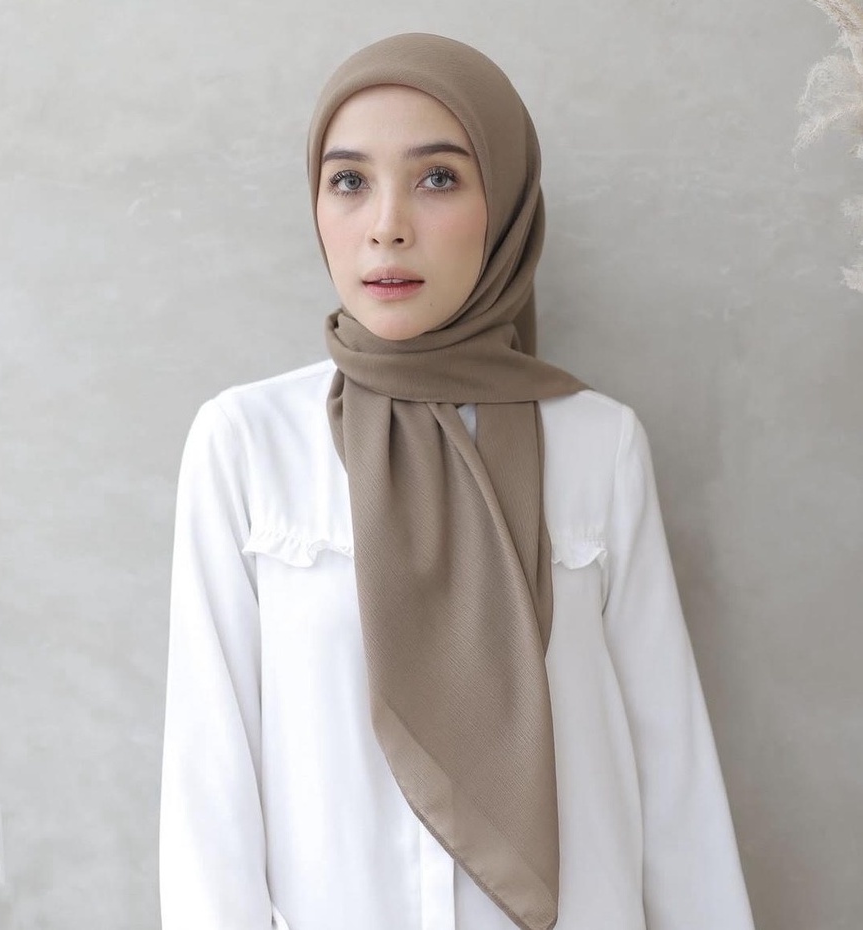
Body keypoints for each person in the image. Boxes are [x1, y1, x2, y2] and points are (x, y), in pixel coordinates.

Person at [159, 33, 755, 930]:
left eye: (437, 178)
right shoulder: (245, 444)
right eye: (348, 181)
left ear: (504, 206)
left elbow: (671, 773)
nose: (386, 224)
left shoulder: (599, 443)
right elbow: (209, 788)